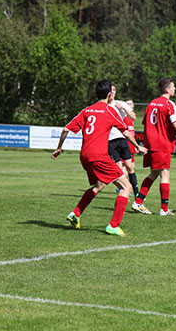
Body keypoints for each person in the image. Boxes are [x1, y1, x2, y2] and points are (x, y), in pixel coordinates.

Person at [51, 79, 147, 237]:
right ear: (110, 95)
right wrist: (137, 146)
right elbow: (125, 132)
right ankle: (113, 226)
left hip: (85, 156)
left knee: (99, 184)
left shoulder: (87, 110)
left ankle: (75, 213)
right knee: (126, 187)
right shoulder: (109, 110)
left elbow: (66, 128)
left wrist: (59, 147)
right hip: (99, 155)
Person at [131, 78, 176, 216]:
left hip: (150, 143)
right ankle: (164, 209)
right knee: (165, 174)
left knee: (154, 173)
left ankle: (138, 202)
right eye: (173, 87)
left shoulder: (151, 104)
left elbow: (145, 122)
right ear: (167, 89)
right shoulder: (169, 104)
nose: (175, 89)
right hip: (162, 143)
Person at [107, 85, 140, 199]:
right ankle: (124, 189)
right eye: (111, 90)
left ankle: (137, 194)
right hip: (110, 141)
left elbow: (133, 117)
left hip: (123, 139)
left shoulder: (120, 104)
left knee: (130, 167)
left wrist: (124, 108)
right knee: (118, 169)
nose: (113, 92)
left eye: (115, 90)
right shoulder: (103, 106)